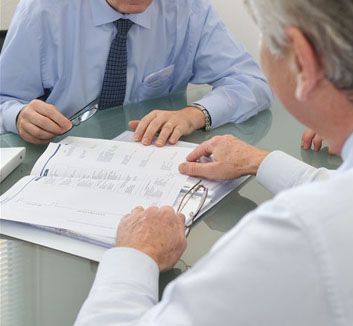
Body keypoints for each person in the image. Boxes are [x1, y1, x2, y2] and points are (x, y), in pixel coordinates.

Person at [75, 0, 353, 324]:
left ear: (302, 61)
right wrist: (261, 161)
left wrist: (136, 254)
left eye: (263, 35)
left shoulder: (295, 235)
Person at [0, 0, 271, 145]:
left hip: (150, 163)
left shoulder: (189, 10)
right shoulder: (43, 9)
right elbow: (4, 99)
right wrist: (19, 116)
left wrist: (194, 115)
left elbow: (251, 83)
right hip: (57, 157)